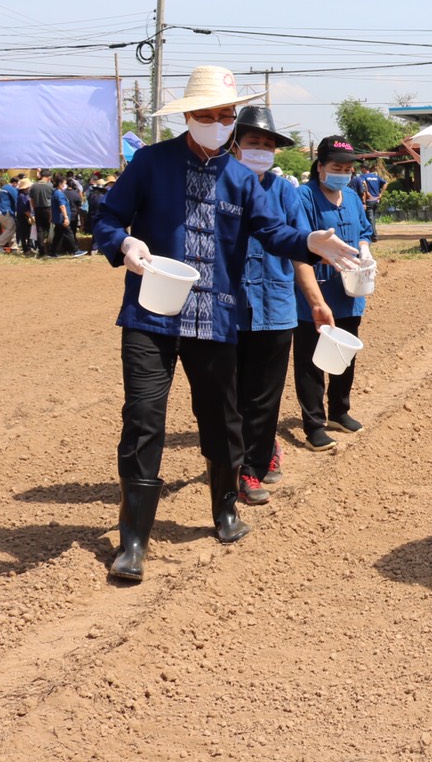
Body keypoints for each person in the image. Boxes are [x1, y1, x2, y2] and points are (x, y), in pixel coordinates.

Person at [93, 66, 362, 583]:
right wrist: (124, 244)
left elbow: (274, 231)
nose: (216, 123)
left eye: (224, 115)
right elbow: (107, 219)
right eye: (205, 115)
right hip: (151, 314)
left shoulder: (242, 179)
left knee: (220, 416)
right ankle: (133, 541)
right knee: (144, 418)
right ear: (187, 117)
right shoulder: (151, 164)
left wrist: (311, 243)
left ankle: (224, 509)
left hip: (215, 316)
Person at [232, 106, 319, 504]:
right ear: (235, 146)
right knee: (232, 392)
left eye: (268, 145)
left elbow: (300, 251)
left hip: (276, 304)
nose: (262, 150)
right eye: (254, 143)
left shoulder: (285, 192)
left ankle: (256, 461)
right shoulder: (219, 187)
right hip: (229, 308)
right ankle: (244, 459)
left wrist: (316, 302)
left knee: (265, 393)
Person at [294, 135, 377, 450]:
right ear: (320, 167)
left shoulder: (353, 197)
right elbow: (299, 241)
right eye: (336, 167)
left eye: (347, 168)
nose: (343, 172)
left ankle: (339, 411)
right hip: (315, 291)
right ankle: (313, 424)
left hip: (350, 290)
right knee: (311, 358)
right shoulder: (303, 197)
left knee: (345, 351)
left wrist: (365, 251)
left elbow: (364, 232)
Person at [29, 172, 55, 260]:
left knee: (39, 230)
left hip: (37, 209)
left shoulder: (34, 186)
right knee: (49, 229)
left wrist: (34, 208)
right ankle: (50, 248)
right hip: (48, 209)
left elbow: (31, 200)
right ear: (48, 177)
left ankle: (41, 250)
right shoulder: (50, 186)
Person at [358, 161, 385, 236]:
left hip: (369, 200)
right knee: (373, 217)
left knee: (370, 218)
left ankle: (374, 235)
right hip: (376, 200)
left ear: (364, 169)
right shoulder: (375, 176)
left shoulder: (362, 176)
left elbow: (364, 184)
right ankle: (372, 233)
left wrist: (367, 192)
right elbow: (386, 183)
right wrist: (381, 194)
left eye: (361, 168)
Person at [0, 176, 18, 253]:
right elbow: (17, 200)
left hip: (0, 212)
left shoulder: (4, 187)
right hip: (5, 212)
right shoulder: (11, 189)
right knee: (12, 227)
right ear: (14, 183)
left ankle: (13, 247)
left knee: (9, 228)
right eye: (18, 185)